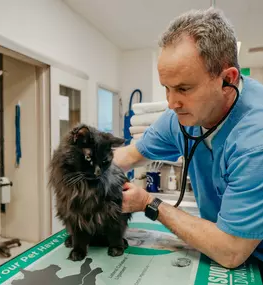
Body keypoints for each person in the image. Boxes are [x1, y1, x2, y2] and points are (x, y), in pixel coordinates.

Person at [113, 7, 263, 270]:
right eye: (166, 89)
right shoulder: (182, 117)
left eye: (183, 88)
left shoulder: (255, 138)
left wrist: (150, 203)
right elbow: (129, 156)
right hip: (220, 249)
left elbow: (231, 251)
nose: (171, 103)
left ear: (227, 79)